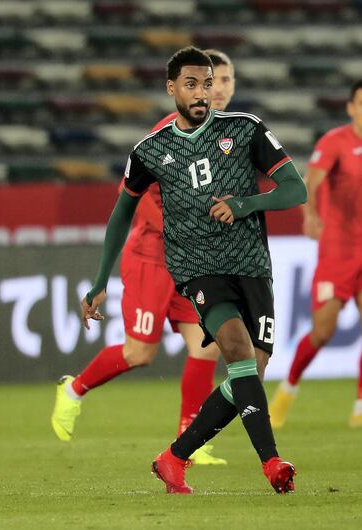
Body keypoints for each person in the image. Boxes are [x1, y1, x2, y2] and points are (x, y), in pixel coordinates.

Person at [80, 46, 305, 494]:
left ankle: (173, 457)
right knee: (238, 352)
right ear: (171, 89)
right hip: (197, 270)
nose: (202, 93)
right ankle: (272, 463)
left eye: (207, 84)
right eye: (191, 85)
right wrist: (100, 280)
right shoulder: (151, 150)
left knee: (249, 375)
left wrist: (248, 204)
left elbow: (295, 188)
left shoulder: (245, 130)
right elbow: (121, 213)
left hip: (251, 265)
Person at [50, 50, 236, 467]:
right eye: (207, 82)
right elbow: (133, 203)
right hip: (152, 257)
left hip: (193, 261)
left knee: (206, 346)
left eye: (221, 81)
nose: (214, 90)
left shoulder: (230, 140)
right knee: (140, 353)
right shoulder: (163, 138)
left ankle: (191, 437)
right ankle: (73, 389)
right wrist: (100, 281)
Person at [269, 79, 362, 430]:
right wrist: (310, 216)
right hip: (337, 252)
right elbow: (309, 183)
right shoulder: (335, 142)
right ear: (352, 108)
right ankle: (286, 392)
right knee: (323, 331)